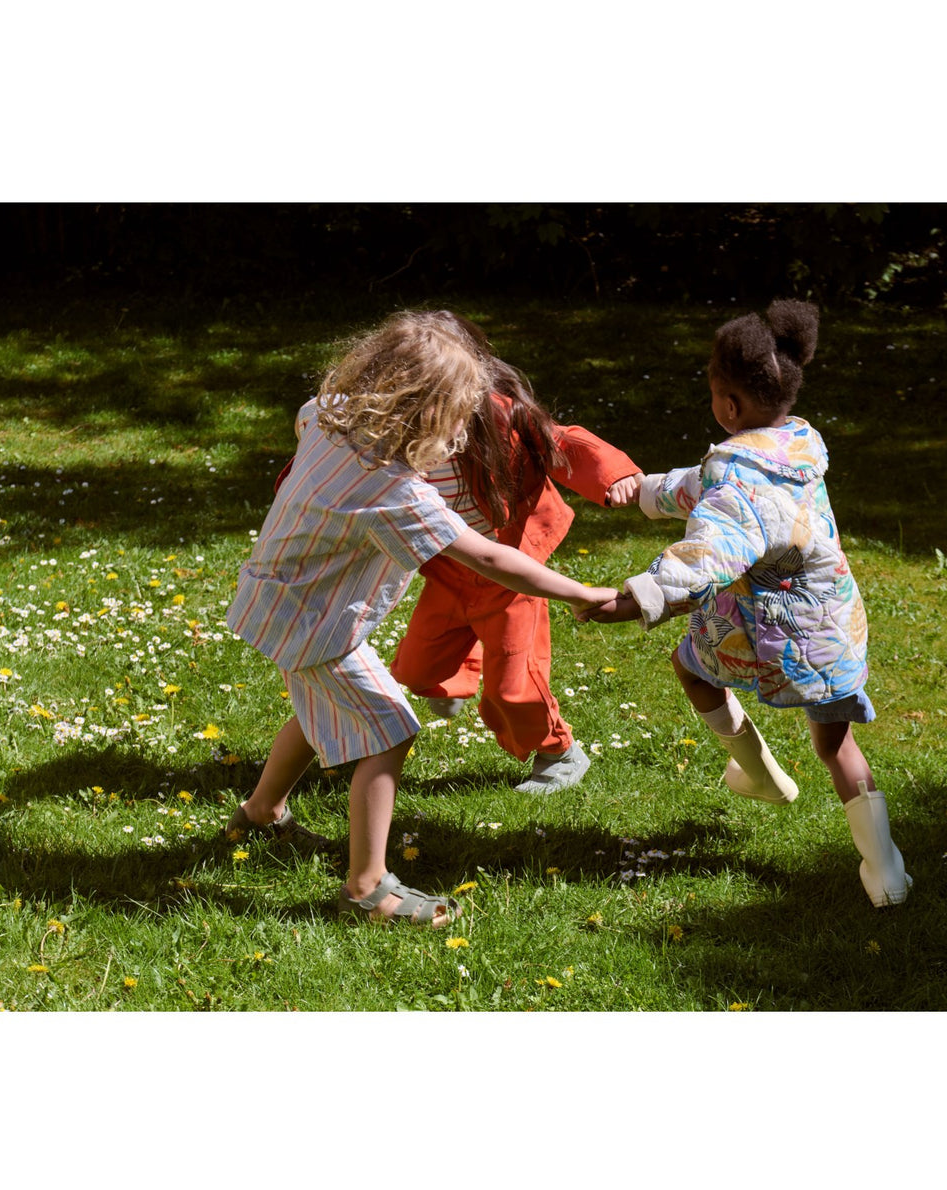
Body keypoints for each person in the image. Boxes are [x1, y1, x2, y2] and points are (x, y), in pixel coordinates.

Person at [224, 311, 616, 926]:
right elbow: (491, 557)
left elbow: (306, 418)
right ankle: (367, 889)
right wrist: (580, 593)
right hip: (313, 624)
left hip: (279, 602)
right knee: (391, 729)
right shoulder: (393, 490)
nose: (464, 431)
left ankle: (260, 813)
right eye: (458, 416)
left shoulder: (329, 416)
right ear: (425, 412)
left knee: (318, 707)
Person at [582, 300, 910, 907]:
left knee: (690, 667)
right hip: (830, 628)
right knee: (835, 745)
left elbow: (709, 553)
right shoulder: (795, 447)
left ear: (729, 406)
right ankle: (884, 868)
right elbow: (705, 483)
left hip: (762, 634)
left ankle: (759, 774)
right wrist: (646, 491)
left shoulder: (735, 477)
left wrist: (639, 598)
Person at [389, 311, 643, 793]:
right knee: (417, 668)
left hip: (511, 572)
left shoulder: (500, 415)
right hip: (450, 568)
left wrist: (614, 475)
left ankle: (559, 753)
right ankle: (459, 672)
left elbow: (562, 443)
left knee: (514, 685)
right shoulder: (397, 427)